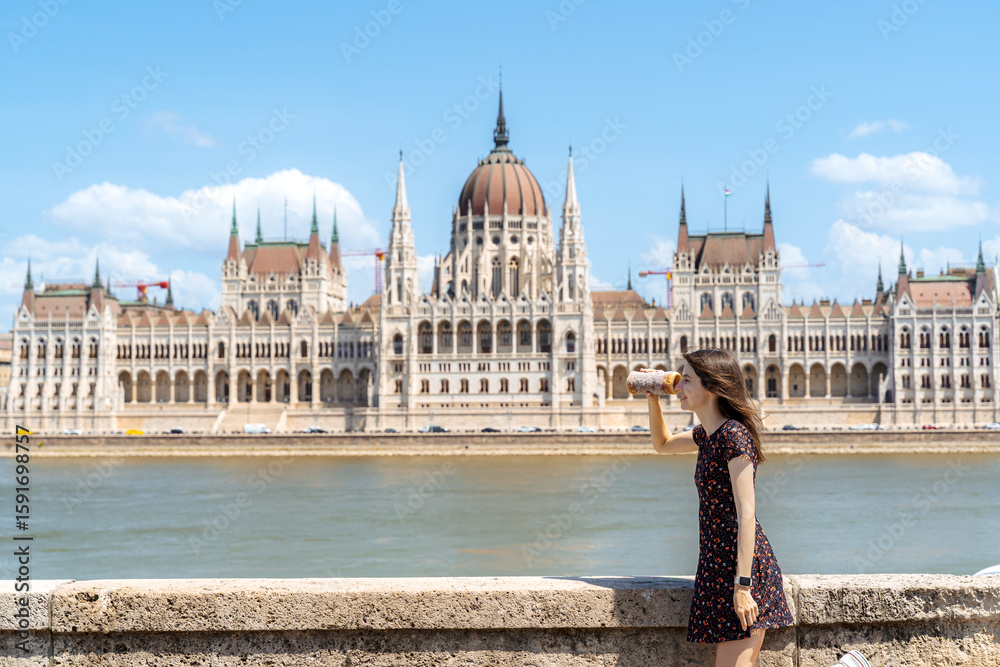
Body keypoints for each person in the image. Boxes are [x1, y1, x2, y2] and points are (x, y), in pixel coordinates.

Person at [645, 348, 870, 667]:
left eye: (687, 380)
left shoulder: (734, 437)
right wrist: (652, 395)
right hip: (716, 570)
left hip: (743, 573)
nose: (678, 387)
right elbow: (662, 444)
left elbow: (745, 513)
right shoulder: (706, 435)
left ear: (711, 387)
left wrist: (743, 586)